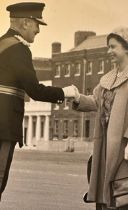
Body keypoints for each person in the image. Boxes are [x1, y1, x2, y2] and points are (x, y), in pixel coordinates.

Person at [0, 2, 75, 200]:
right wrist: (65, 92)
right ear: (25, 23)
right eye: (36, 24)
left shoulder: (2, 44)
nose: (38, 30)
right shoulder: (19, 49)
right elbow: (34, 90)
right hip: (4, 127)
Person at [72, 27, 128, 210]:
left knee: (125, 196)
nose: (109, 52)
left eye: (113, 47)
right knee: (105, 194)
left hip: (125, 148)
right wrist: (77, 98)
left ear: (127, 47)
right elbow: (95, 101)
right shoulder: (108, 79)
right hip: (106, 146)